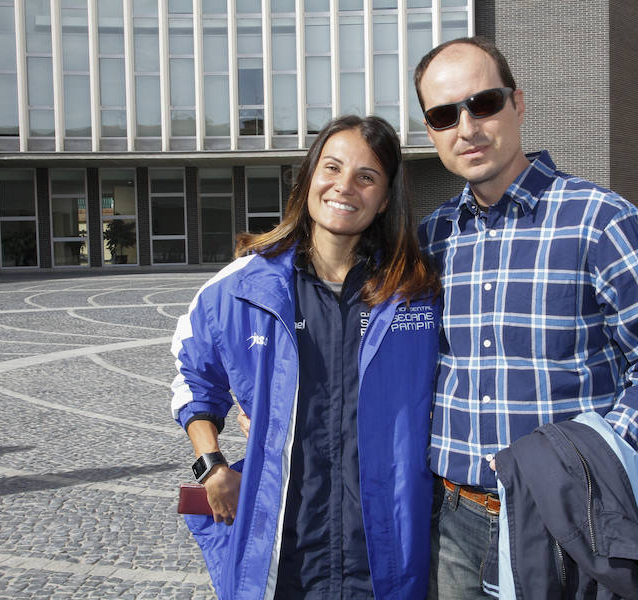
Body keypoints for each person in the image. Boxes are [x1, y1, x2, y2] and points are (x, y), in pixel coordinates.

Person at [414, 36, 638, 598]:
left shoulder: (600, 220)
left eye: (484, 103)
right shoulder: (432, 236)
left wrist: (596, 461)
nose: (467, 127)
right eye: (444, 114)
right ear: (431, 130)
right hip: (453, 522)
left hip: (564, 524)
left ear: (518, 104)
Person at [169, 115, 441, 600]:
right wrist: (209, 465)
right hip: (285, 555)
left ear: (384, 199)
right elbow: (193, 378)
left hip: (383, 553)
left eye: (366, 176)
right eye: (332, 168)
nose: (344, 187)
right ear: (309, 177)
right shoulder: (243, 288)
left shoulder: (415, 293)